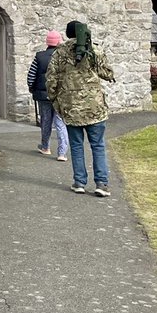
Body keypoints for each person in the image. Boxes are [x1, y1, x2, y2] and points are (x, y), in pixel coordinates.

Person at [46, 20, 116, 196]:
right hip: (95, 108)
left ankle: (79, 182)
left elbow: (51, 80)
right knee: (98, 145)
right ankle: (101, 184)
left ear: (68, 34)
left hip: (71, 108)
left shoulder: (59, 53)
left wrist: (56, 101)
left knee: (77, 146)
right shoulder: (94, 50)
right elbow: (107, 74)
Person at [26, 30, 68, 161]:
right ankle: (62, 152)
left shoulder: (40, 56)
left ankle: (45, 147)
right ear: (59, 42)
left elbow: (31, 75)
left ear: (47, 42)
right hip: (60, 95)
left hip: (43, 94)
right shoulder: (65, 57)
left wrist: (32, 88)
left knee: (46, 121)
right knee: (61, 123)